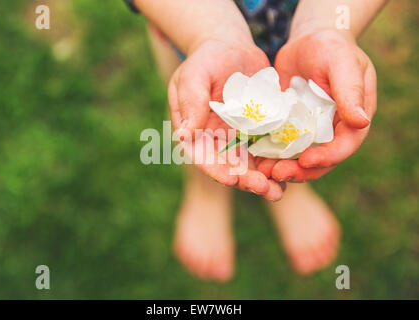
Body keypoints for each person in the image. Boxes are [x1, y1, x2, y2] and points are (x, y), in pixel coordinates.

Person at [130, 0, 387, 281]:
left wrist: (326, 25)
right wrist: (208, 33)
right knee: (195, 104)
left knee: (300, 116)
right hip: (187, 15)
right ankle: (206, 190)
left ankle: (288, 187)